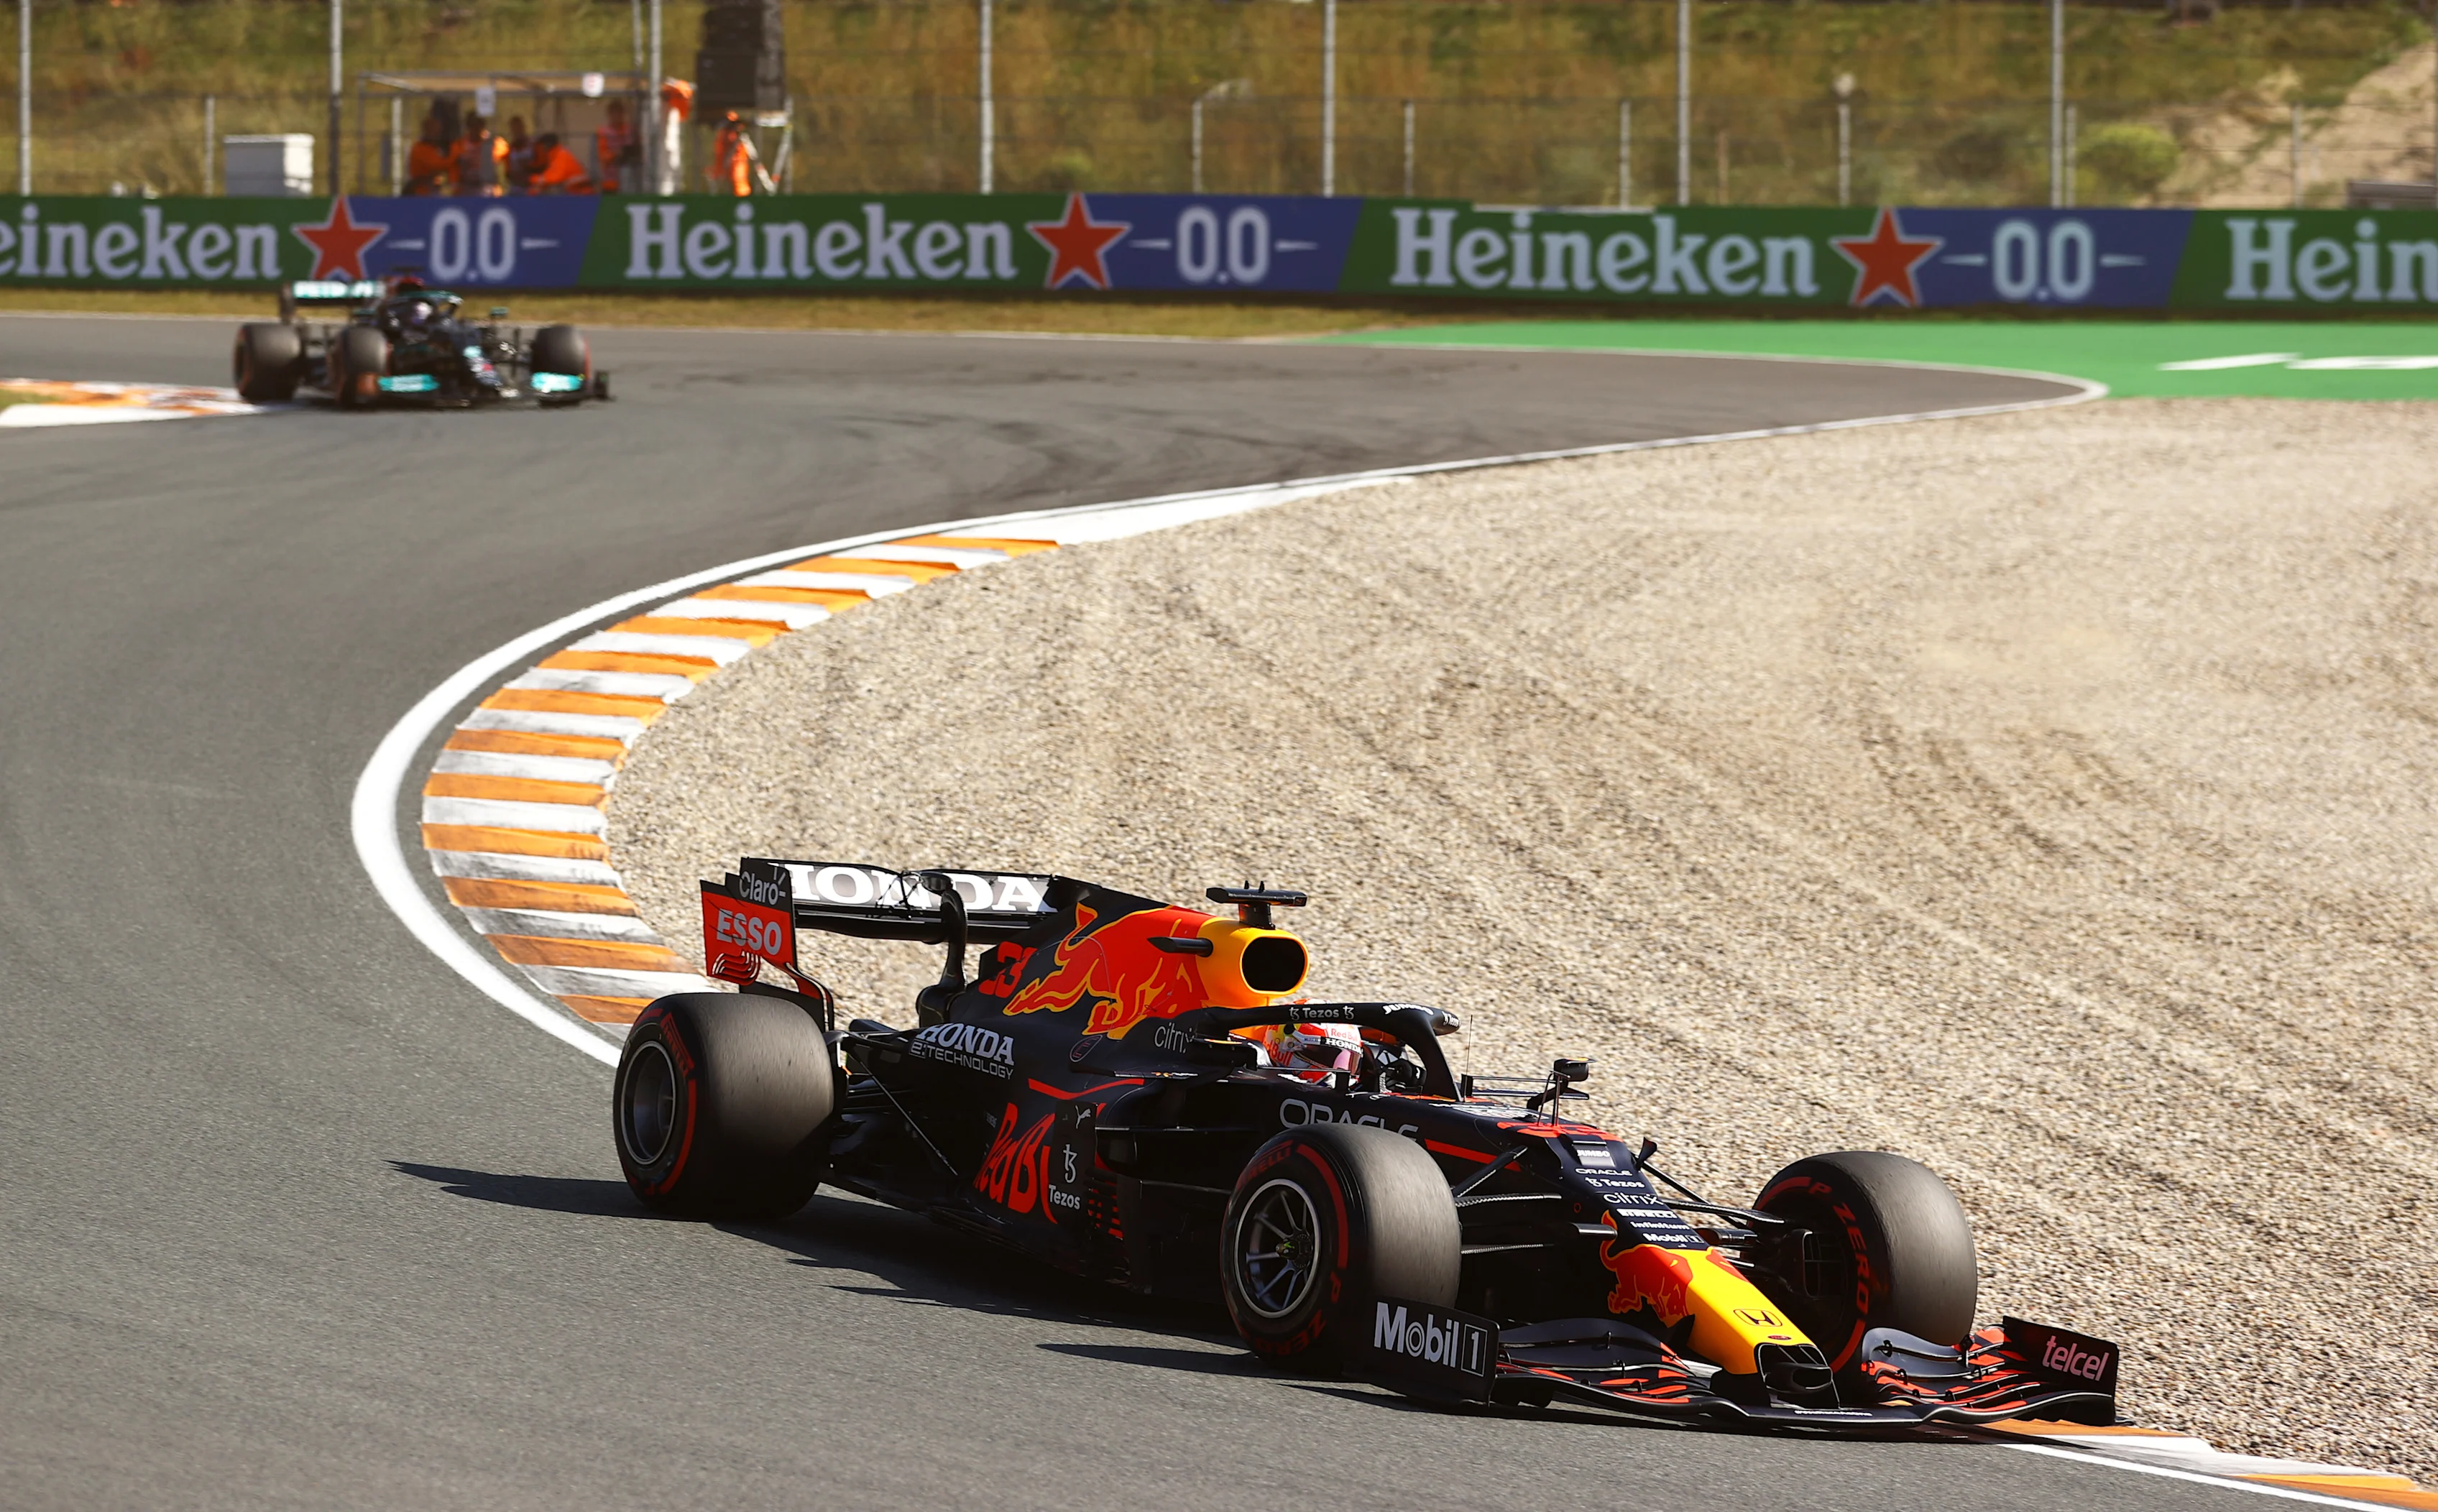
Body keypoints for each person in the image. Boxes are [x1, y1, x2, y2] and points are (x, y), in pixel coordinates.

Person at [452, 112, 506, 197]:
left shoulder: (494, 143)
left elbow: (506, 155)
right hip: (467, 187)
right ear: (468, 126)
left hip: (487, 187)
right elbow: (451, 165)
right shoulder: (460, 144)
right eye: (473, 125)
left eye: (479, 124)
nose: (476, 128)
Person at [525, 132, 595, 194]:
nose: (541, 147)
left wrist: (537, 179)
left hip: (582, 192)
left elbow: (558, 177)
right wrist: (538, 184)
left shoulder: (561, 154)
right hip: (575, 192)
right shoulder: (555, 155)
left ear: (547, 145)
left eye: (542, 145)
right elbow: (550, 173)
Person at [709, 109, 758, 196]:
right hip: (727, 168)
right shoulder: (725, 136)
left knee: (739, 182)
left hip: (737, 169)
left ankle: (742, 197)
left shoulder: (737, 137)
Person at [593, 98, 638, 193]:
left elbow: (637, 151)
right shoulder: (603, 132)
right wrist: (615, 154)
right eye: (614, 114)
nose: (617, 117)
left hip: (630, 181)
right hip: (610, 181)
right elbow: (602, 156)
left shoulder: (630, 130)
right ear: (609, 115)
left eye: (620, 114)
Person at [405, 111, 455, 195]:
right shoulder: (419, 148)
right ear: (426, 130)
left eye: (438, 130)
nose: (437, 133)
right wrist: (455, 156)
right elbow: (438, 165)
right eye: (434, 130)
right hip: (421, 193)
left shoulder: (436, 148)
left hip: (435, 192)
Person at [502, 115, 535, 195]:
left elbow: (541, 165)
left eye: (519, 127)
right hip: (516, 186)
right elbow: (508, 170)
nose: (517, 131)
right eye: (514, 128)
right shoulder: (510, 149)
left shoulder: (533, 146)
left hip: (532, 186)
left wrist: (528, 167)